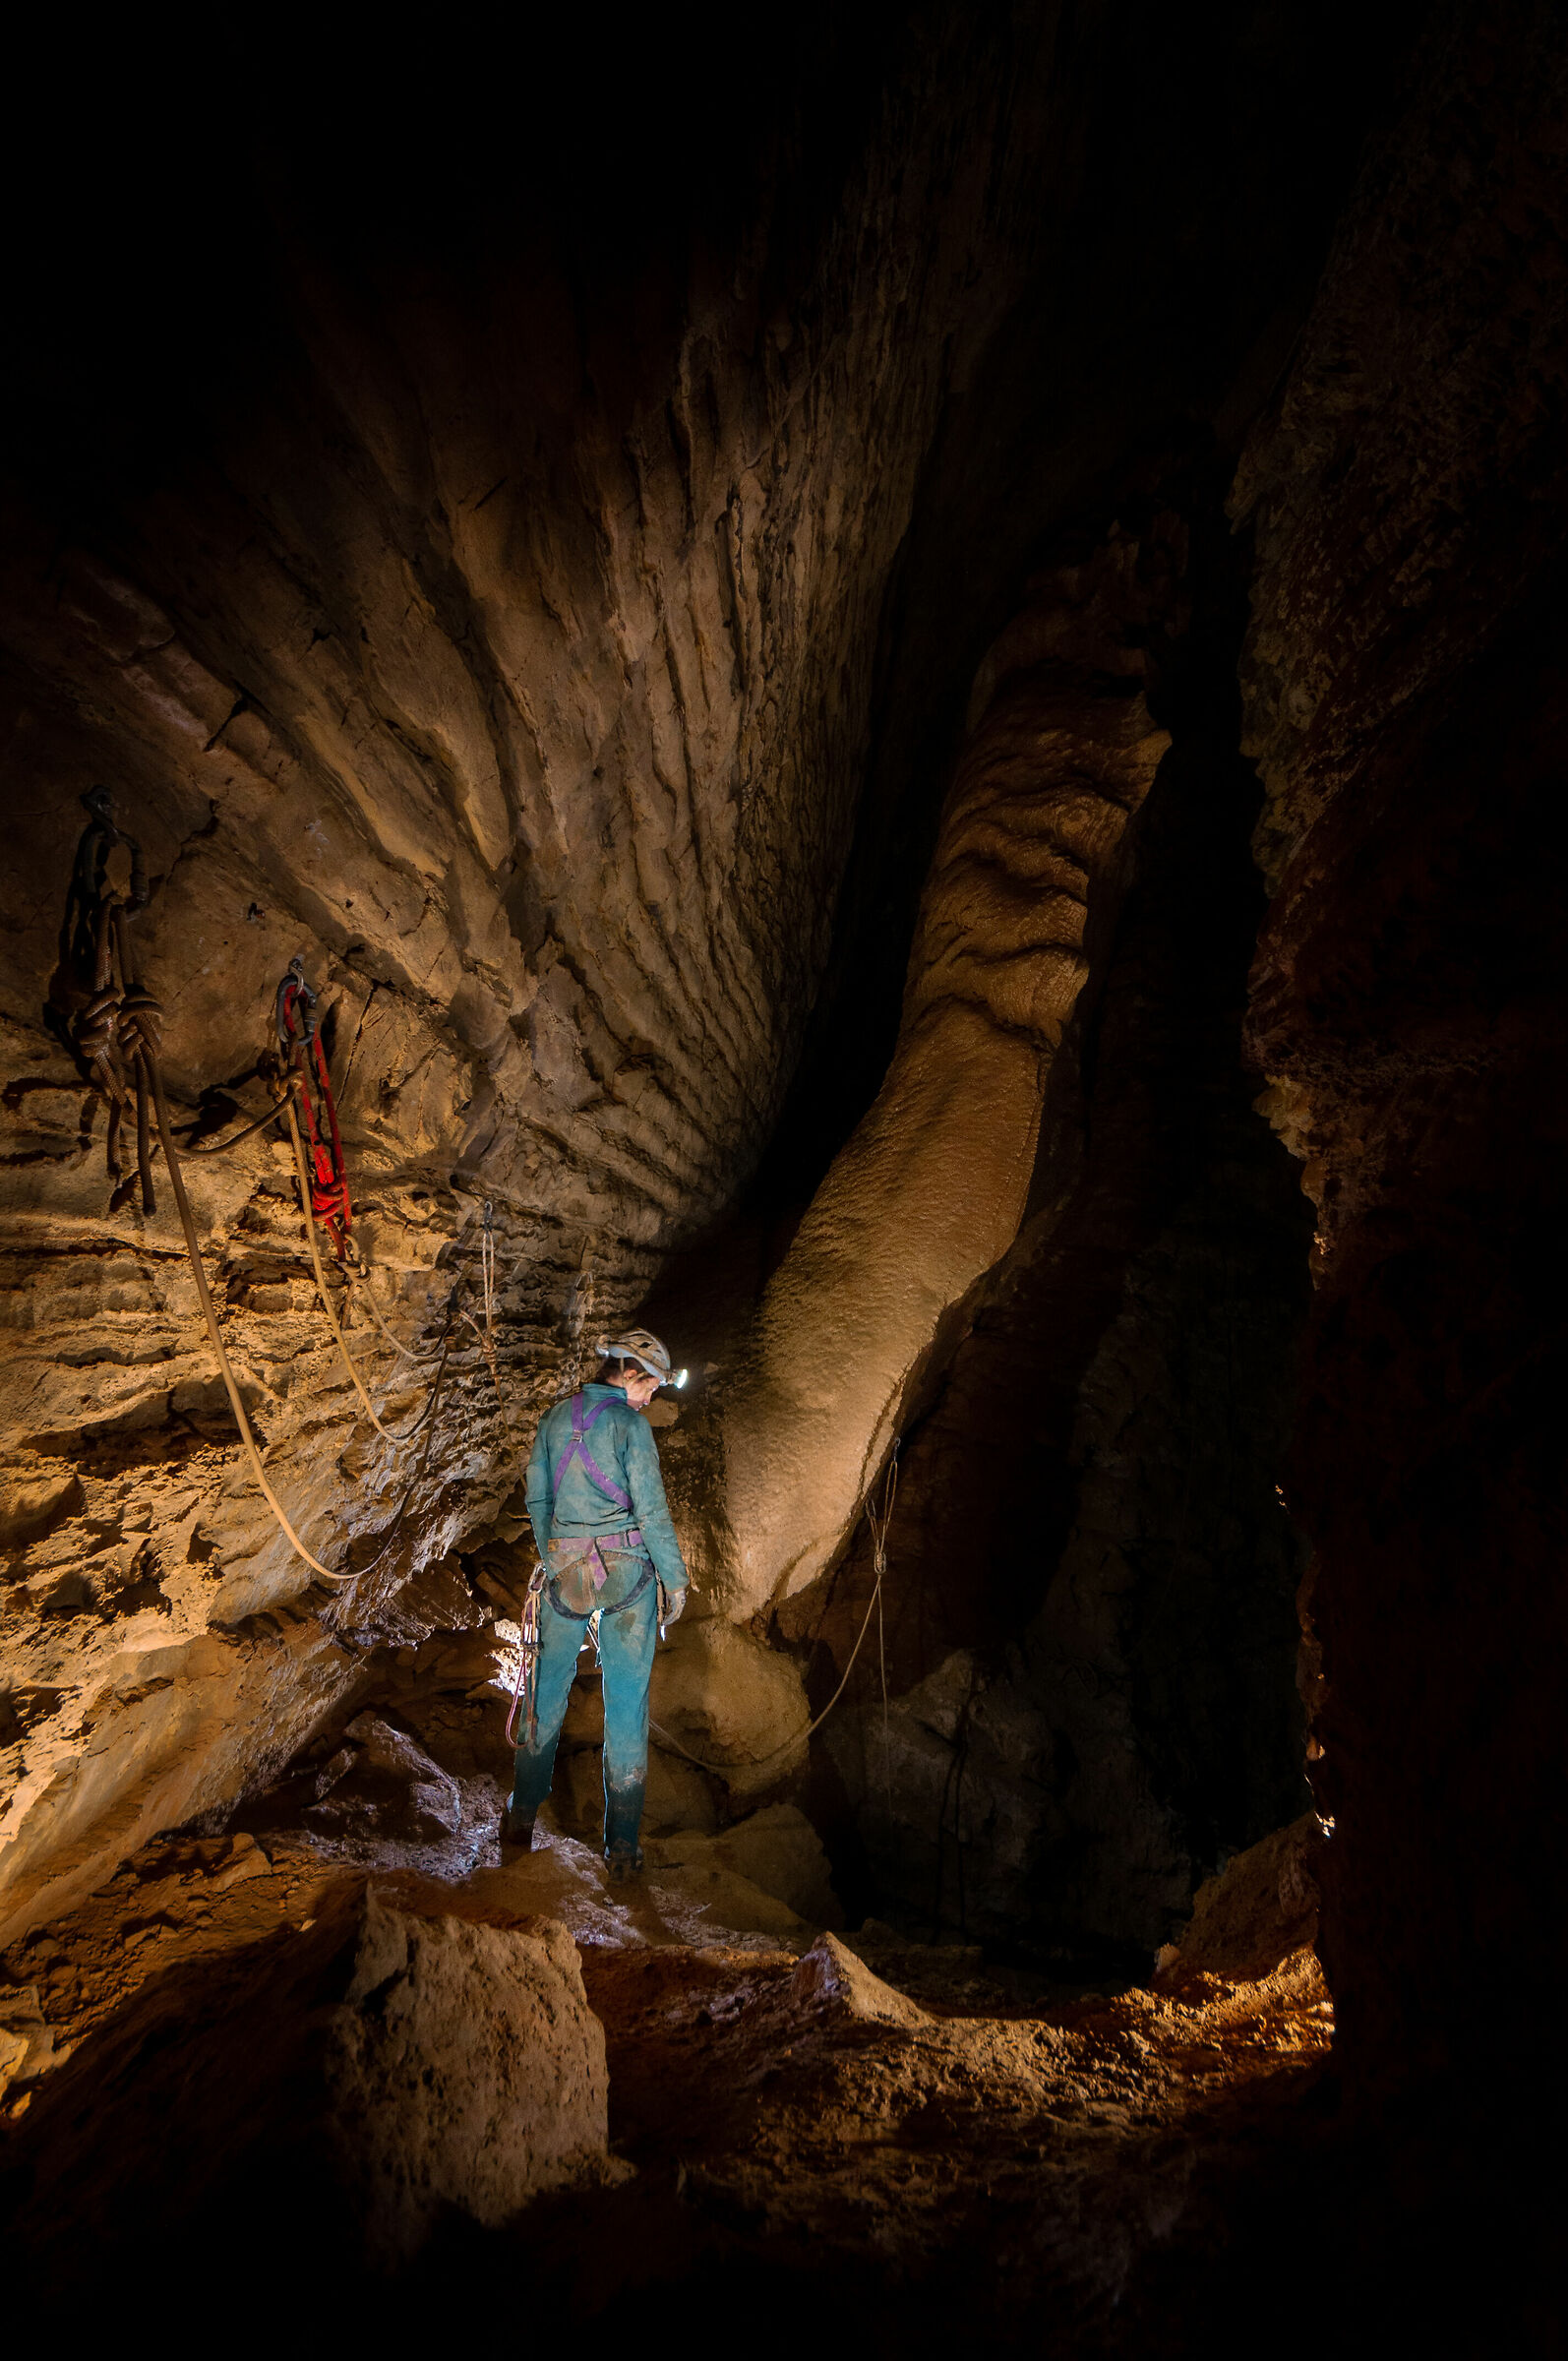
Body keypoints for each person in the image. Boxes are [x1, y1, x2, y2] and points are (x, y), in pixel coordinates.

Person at [504, 1328, 689, 1879]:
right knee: (626, 1707)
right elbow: (652, 1509)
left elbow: (537, 1497)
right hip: (629, 1574)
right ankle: (623, 1851)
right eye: (650, 1387)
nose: (650, 1399)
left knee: (544, 1695)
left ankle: (519, 1821)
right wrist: (674, 1582)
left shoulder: (554, 1419)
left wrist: (556, 1556)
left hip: (566, 1574)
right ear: (629, 1373)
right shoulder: (630, 1425)